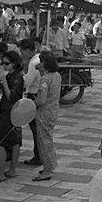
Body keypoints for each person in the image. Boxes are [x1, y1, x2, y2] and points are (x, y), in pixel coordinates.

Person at [0, 50, 23, 182]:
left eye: (6, 63)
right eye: (2, 63)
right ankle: (12, 170)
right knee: (14, 141)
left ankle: (1, 173)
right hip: (12, 110)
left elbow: (10, 96)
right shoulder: (13, 75)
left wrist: (4, 80)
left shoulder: (17, 77)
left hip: (10, 111)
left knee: (1, 142)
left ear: (14, 63)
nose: (4, 66)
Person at [32, 51, 61, 182]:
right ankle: (50, 165)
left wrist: (32, 103)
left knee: (44, 142)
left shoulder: (45, 80)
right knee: (48, 140)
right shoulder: (56, 76)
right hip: (53, 111)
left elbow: (41, 100)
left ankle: (47, 170)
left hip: (44, 112)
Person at [18, 39, 42, 166]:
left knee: (35, 128)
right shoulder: (37, 59)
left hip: (35, 94)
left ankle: (38, 156)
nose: (21, 55)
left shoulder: (33, 63)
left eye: (22, 52)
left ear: (28, 51)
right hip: (37, 93)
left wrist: (21, 71)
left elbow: (26, 82)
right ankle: (39, 154)